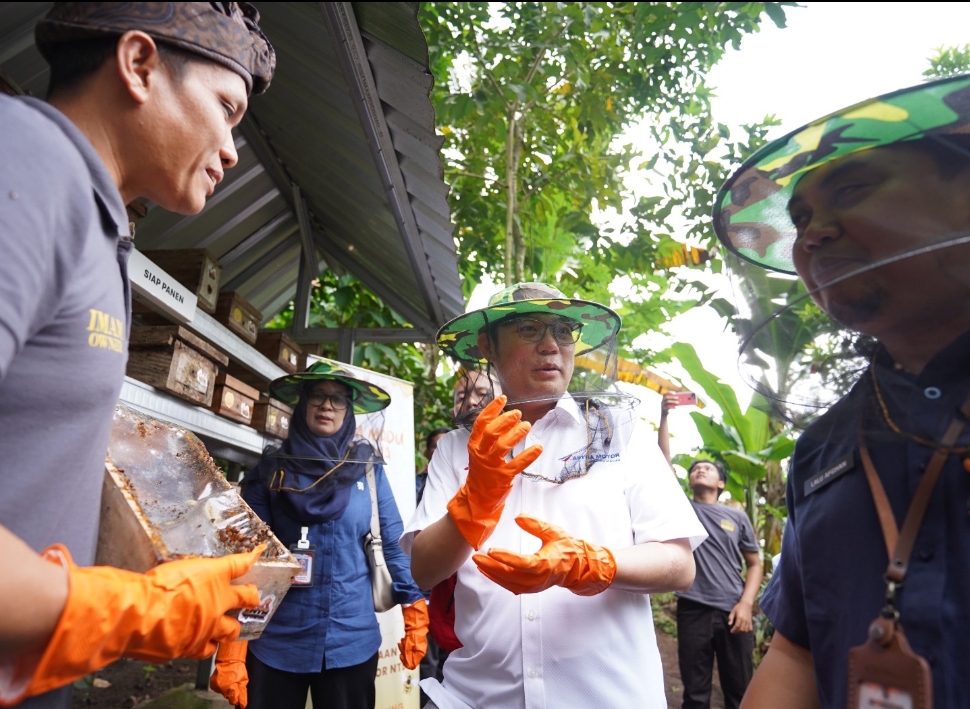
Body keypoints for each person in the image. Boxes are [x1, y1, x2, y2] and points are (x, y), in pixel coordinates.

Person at [0, 4, 275, 708]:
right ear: (139, 65)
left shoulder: (103, 225)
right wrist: (127, 608)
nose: (233, 150)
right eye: (225, 107)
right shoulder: (25, 161)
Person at [712, 76, 970, 708]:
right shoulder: (823, 448)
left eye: (852, 190)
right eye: (799, 219)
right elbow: (797, 652)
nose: (811, 234)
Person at [403, 282, 707, 709]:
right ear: (488, 345)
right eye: (529, 329)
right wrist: (474, 500)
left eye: (563, 332)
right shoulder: (456, 450)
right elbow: (424, 571)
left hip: (610, 698)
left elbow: (679, 565)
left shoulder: (622, 434)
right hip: (475, 699)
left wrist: (591, 564)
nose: (551, 345)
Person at [210, 361, 429, 709]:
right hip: (276, 642)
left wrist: (415, 610)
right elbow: (246, 561)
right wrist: (233, 649)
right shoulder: (270, 473)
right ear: (303, 404)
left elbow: (392, 542)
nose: (327, 405)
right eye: (318, 396)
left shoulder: (367, 471)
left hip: (350, 640)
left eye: (339, 399)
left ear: (349, 411)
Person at [675, 460, 761, 709]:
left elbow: (754, 565)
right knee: (695, 694)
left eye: (708, 468)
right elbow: (663, 464)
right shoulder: (682, 509)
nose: (700, 470)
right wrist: (665, 418)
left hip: (734, 612)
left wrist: (746, 604)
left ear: (721, 483)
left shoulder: (737, 516)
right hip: (693, 609)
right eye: (695, 469)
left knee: (741, 693)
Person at [417, 427, 451, 503]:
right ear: (427, 453)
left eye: (447, 446)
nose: (442, 450)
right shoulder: (416, 485)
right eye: (436, 446)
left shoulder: (467, 479)